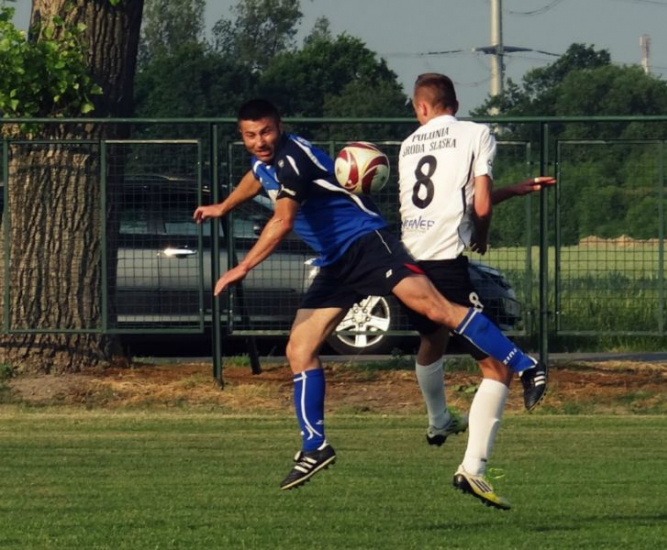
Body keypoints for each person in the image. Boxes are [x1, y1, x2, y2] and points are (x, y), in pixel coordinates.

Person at [193, 98, 542, 494]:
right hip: (336, 262)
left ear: (280, 126)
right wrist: (224, 206)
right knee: (299, 348)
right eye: (251, 135)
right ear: (242, 136)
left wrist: (242, 267)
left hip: (367, 244)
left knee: (438, 309)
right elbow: (256, 177)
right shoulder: (265, 161)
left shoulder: (293, 158)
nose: (260, 142)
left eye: (267, 132)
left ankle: (526, 365)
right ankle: (315, 446)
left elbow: (283, 219)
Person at [398, 73, 556, 510]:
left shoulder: (409, 145)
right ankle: (474, 468)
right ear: (454, 103)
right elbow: (478, 206)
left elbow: (452, 201)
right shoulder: (475, 133)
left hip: (409, 264)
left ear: (421, 108)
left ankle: (437, 421)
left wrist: (513, 191)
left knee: (432, 339)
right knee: (496, 368)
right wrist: (481, 237)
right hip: (446, 263)